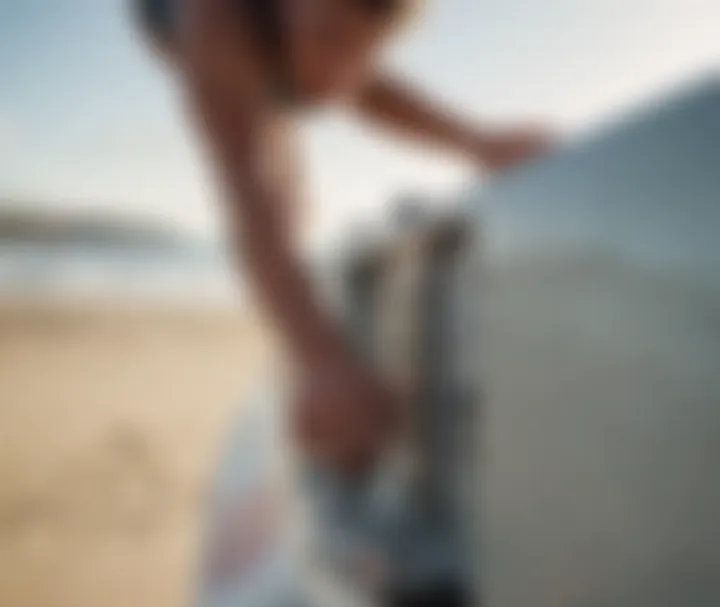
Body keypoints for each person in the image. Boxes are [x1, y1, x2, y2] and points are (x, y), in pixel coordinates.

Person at [135, 0, 551, 474]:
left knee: (300, 205)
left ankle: (313, 366)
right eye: (328, 40)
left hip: (278, 43)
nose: (335, 79)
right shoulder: (220, 22)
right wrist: (321, 360)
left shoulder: (331, 42)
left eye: (365, 51)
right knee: (277, 206)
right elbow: (250, 211)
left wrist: (477, 141)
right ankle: (311, 374)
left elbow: (365, 86)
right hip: (179, 20)